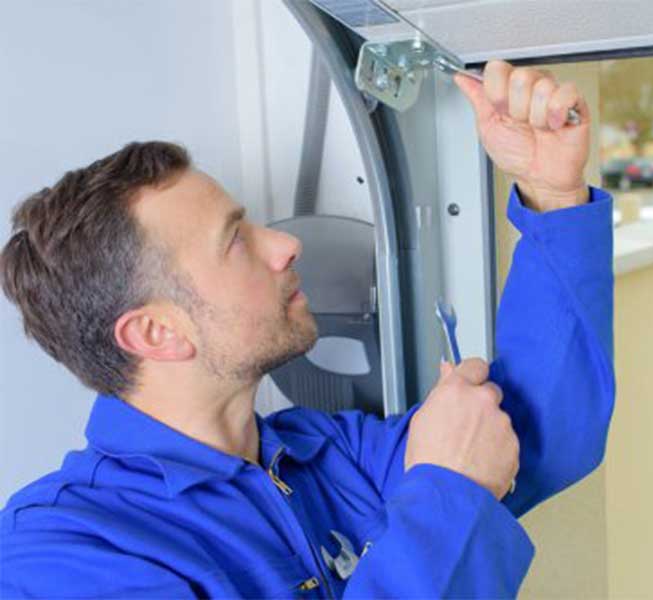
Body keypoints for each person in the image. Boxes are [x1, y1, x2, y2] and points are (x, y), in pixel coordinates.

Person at [0, 61, 615, 598]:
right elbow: (459, 485)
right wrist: (448, 494)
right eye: (235, 241)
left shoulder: (324, 456)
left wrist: (551, 192)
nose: (285, 244)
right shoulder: (64, 553)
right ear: (157, 333)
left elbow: (538, 433)